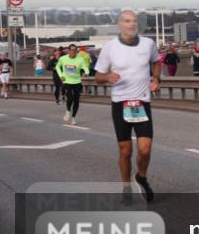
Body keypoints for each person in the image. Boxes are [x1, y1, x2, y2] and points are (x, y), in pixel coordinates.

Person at [94, 10, 161, 205]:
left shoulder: (148, 44)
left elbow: (156, 63)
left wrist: (156, 78)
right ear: (119, 25)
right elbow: (98, 76)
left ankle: (141, 177)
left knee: (145, 149)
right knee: (125, 151)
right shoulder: (110, 48)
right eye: (127, 21)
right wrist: (107, 77)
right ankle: (125, 187)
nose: (132, 24)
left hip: (141, 102)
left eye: (134, 21)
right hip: (120, 104)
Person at [56, 44, 90, 125]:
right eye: (71, 50)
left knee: (76, 100)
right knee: (70, 97)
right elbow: (57, 67)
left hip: (77, 82)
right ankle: (68, 111)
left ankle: (73, 118)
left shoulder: (80, 59)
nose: (73, 52)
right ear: (68, 51)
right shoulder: (63, 58)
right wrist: (61, 76)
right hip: (67, 81)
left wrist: (86, 73)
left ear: (76, 51)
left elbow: (85, 68)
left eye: (75, 50)